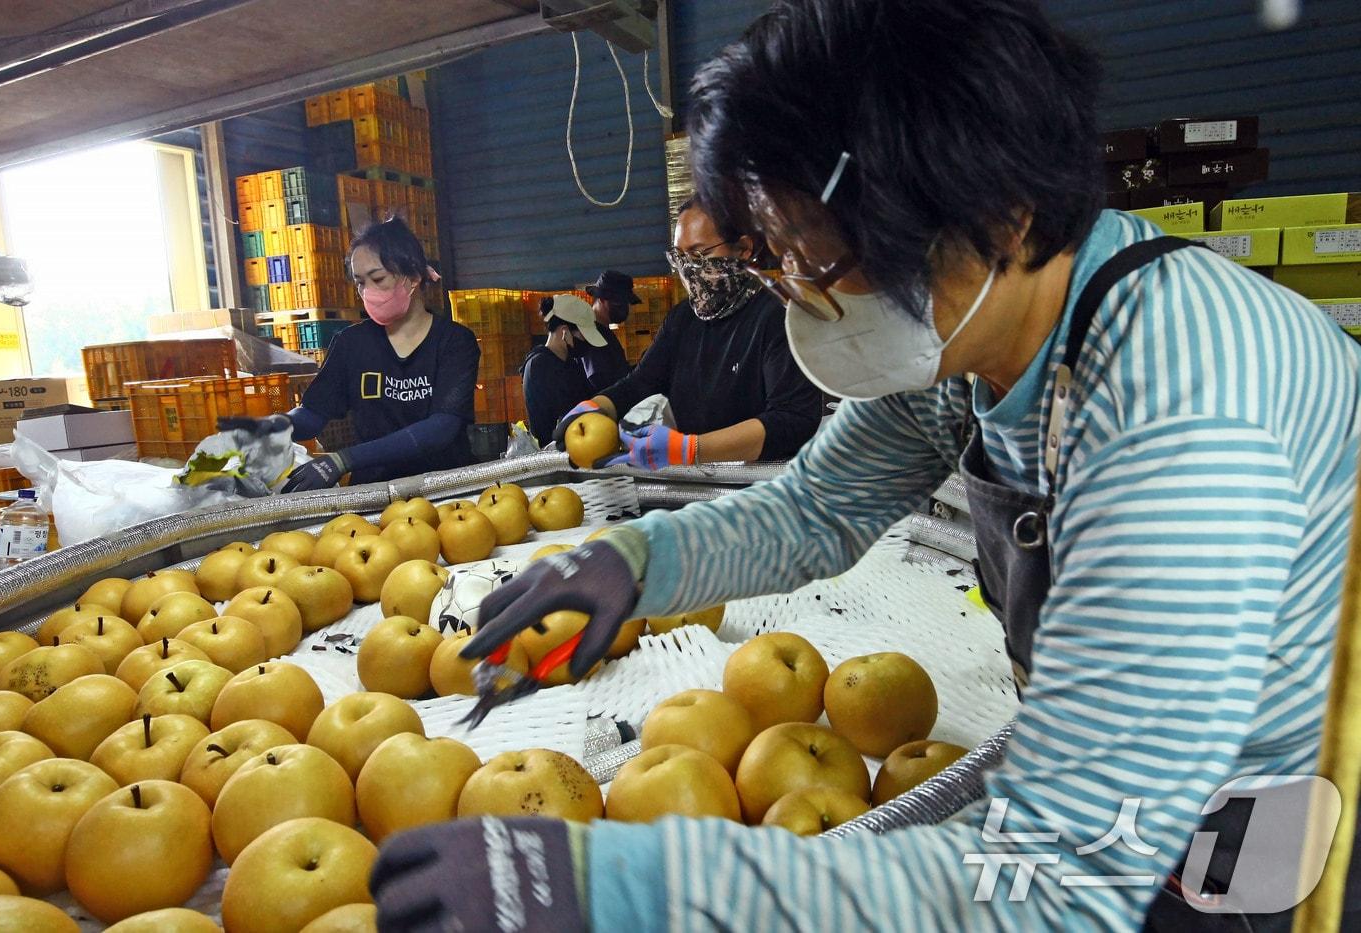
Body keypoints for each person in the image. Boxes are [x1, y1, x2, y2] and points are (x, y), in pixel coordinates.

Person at [369, 1, 1361, 930]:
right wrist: (631, 565)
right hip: (1123, 774)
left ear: (996, 207)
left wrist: (635, 891)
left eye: (820, 258)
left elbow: (1057, 880)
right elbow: (813, 510)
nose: (802, 300)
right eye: (779, 261)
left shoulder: (1176, 416)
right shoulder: (973, 336)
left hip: (1258, 807)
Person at [554, 197, 824, 467]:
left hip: (762, 486)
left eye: (700, 255)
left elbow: (793, 419)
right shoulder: (682, 320)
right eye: (680, 257)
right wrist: (599, 406)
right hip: (699, 483)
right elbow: (641, 382)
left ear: (743, 248)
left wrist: (691, 448)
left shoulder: (776, 317)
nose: (688, 270)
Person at [280, 217, 478, 491]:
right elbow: (313, 415)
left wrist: (343, 460)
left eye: (377, 279)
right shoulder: (351, 344)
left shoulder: (454, 342)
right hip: (375, 495)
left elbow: (441, 428)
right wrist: (269, 428)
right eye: (360, 283)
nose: (367, 292)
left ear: (413, 277)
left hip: (444, 492)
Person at [521, 294, 627, 446]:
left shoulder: (569, 362)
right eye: (583, 336)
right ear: (564, 331)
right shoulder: (540, 366)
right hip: (556, 456)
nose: (585, 342)